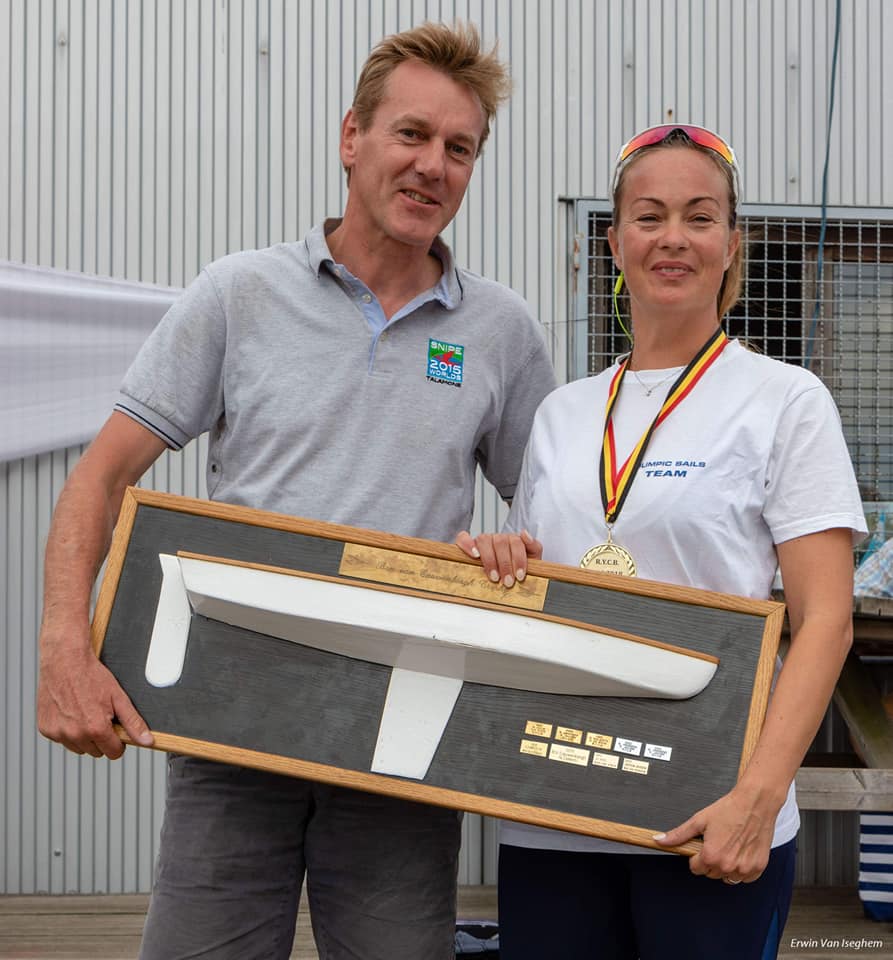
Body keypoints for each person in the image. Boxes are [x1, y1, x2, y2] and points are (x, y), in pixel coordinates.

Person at [36, 22, 556, 960]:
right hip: (231, 722)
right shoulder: (238, 294)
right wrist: (64, 647)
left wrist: (512, 550)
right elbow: (100, 478)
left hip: (405, 740)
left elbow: (550, 516)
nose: (432, 165)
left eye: (459, 148)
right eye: (410, 134)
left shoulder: (501, 331)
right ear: (351, 136)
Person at [457, 124, 866, 959]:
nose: (672, 237)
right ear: (613, 242)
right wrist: (496, 567)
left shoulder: (784, 401)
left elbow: (825, 620)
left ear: (730, 243)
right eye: (648, 217)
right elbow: (538, 591)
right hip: (554, 813)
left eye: (698, 216)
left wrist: (758, 798)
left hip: (710, 815)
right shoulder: (563, 414)